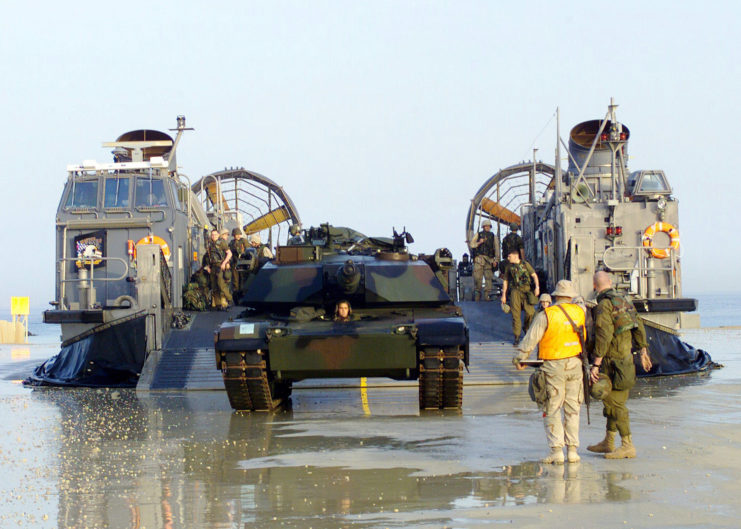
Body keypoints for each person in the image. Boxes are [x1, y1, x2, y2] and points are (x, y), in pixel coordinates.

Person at [513, 280, 586, 464]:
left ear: (555, 296)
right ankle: (572, 451)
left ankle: (556, 452)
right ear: (570, 296)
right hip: (575, 364)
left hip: (554, 366)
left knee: (552, 407)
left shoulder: (548, 314)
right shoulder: (579, 313)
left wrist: (520, 358)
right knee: (573, 408)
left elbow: (531, 338)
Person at [587, 271, 653, 459]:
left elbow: (604, 334)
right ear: (610, 282)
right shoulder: (624, 301)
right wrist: (643, 350)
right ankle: (609, 441)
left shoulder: (604, 305)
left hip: (611, 361)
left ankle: (627, 445)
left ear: (594, 286)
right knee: (614, 402)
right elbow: (638, 325)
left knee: (614, 404)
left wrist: (596, 363)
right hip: (626, 361)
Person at [500, 249, 539, 345]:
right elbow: (505, 281)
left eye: (509, 256)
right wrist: (504, 295)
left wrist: (537, 287)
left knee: (530, 312)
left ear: (515, 256)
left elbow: (534, 275)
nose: (508, 258)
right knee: (515, 314)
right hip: (515, 292)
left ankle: (526, 328)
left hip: (526, 291)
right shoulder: (509, 267)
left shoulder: (525, 264)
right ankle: (517, 337)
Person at [469, 219, 500, 301]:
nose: (487, 227)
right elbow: (472, 245)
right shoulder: (478, 235)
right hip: (479, 260)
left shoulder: (493, 236)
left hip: (489, 260)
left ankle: (487, 296)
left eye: (488, 226)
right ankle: (477, 296)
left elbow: (497, 248)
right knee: (477, 279)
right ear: (483, 227)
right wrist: (479, 242)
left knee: (488, 279)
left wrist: (496, 260)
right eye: (486, 226)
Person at [207, 229, 232, 310]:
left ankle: (230, 299)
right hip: (213, 266)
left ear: (218, 235)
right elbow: (209, 256)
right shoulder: (211, 244)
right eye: (212, 235)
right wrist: (208, 266)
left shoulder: (221, 243)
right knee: (214, 286)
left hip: (220, 265)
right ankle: (218, 305)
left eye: (215, 235)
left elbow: (229, 253)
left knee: (221, 285)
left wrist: (224, 263)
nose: (213, 236)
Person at [229, 228, 249, 293]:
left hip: (243, 263)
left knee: (243, 279)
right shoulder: (231, 243)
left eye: (239, 234)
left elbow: (248, 251)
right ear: (233, 235)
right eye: (236, 234)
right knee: (235, 280)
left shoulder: (244, 241)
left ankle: (243, 293)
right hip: (234, 263)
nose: (238, 236)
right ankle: (236, 294)